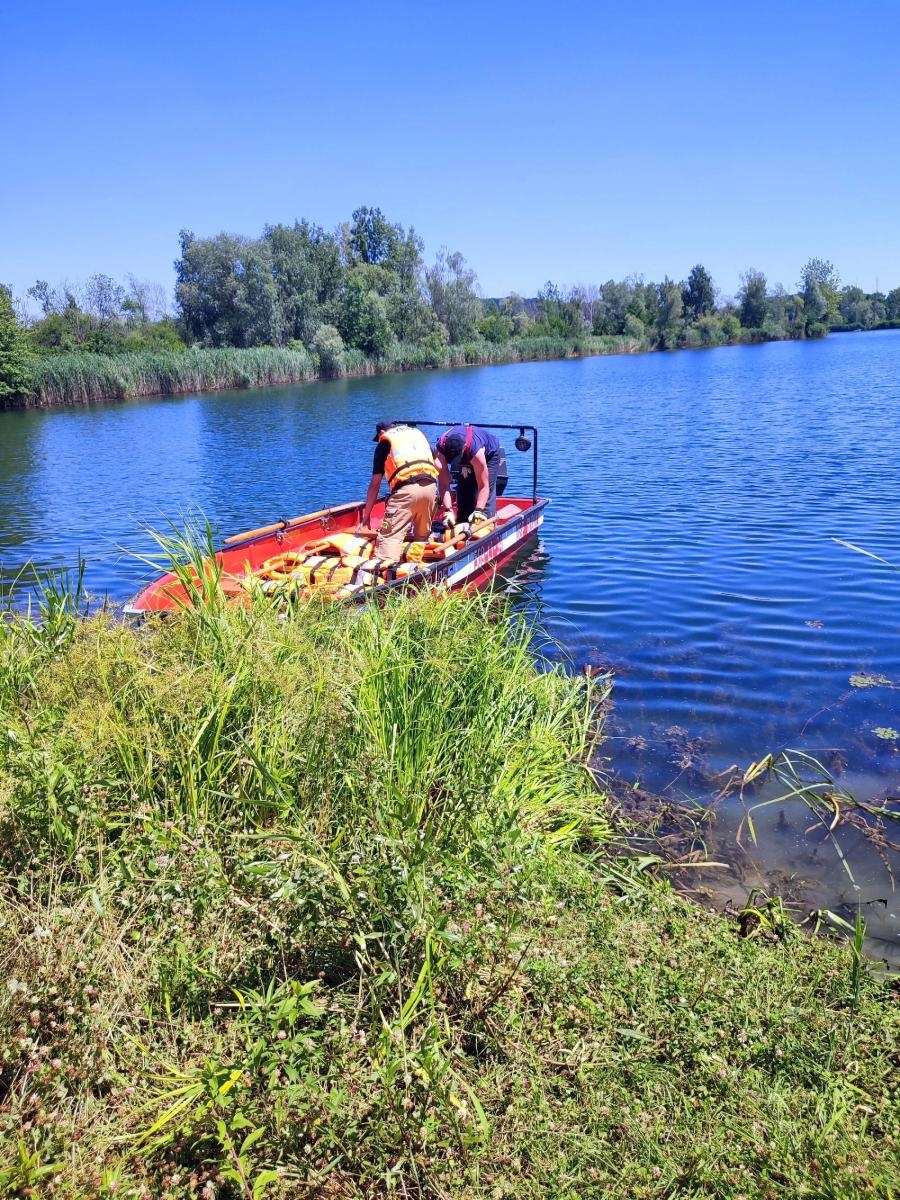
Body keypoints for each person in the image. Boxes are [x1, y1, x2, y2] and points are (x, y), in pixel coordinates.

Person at [361, 420, 439, 558]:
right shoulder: (417, 436)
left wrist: (366, 516)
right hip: (431, 488)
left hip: (406, 491)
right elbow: (438, 465)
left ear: (381, 433)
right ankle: (419, 572)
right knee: (422, 539)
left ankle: (387, 576)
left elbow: (375, 484)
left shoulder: (384, 442)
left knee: (389, 539)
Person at [434, 424, 508, 524]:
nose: (454, 462)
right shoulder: (440, 451)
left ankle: (487, 523)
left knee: (486, 501)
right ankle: (462, 523)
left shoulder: (477, 452)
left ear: (464, 448)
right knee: (464, 491)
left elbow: (483, 486)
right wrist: (448, 510)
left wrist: (479, 510)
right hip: (466, 453)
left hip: (489, 454)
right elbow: (443, 483)